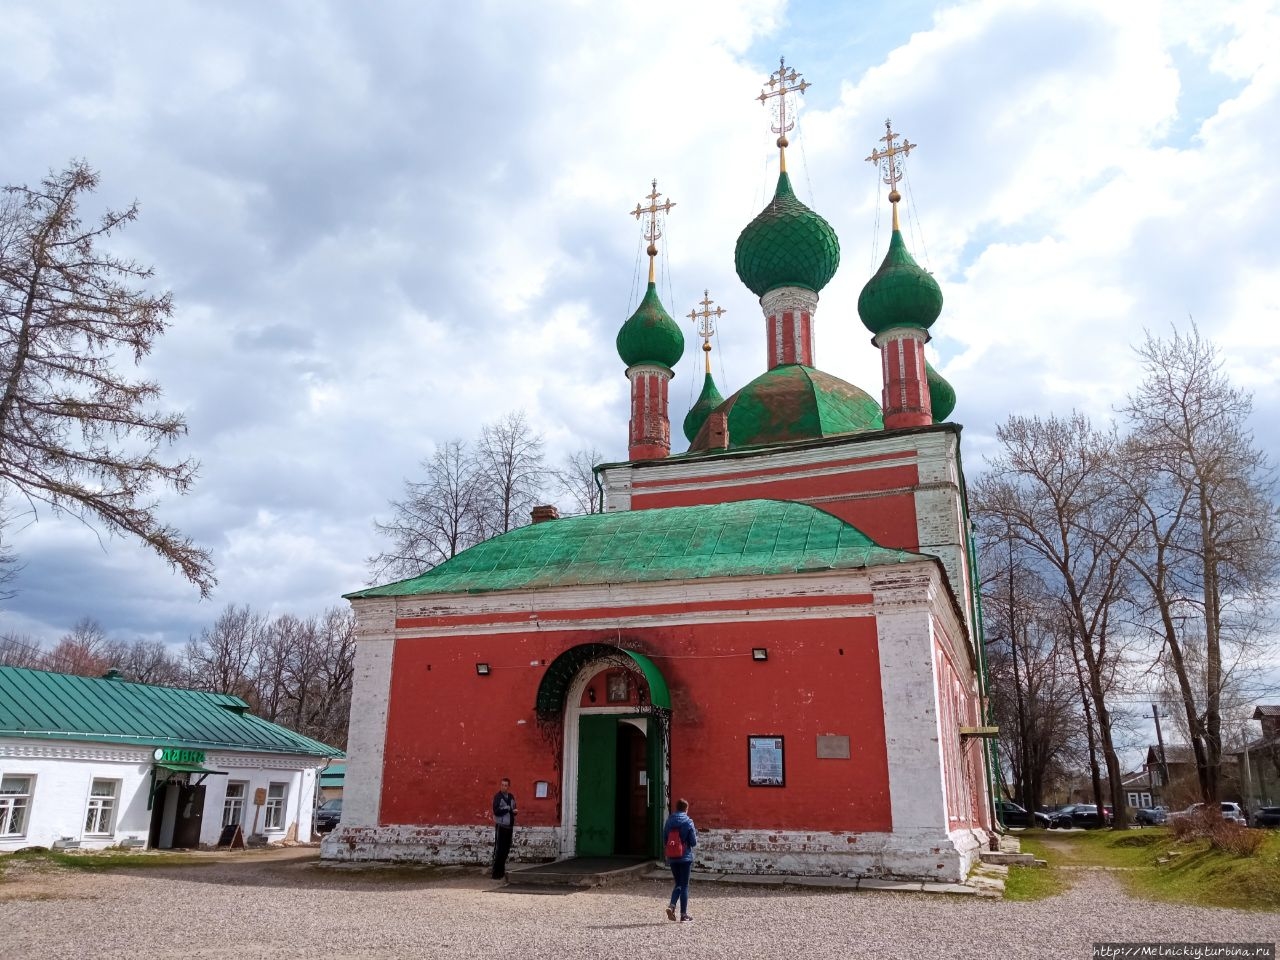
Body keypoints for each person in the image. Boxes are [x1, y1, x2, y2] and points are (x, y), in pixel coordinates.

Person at [663, 798, 697, 922]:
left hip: (672, 857)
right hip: (685, 857)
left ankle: (672, 906)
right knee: (684, 886)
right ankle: (683, 914)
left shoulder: (669, 821)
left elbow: (665, 838)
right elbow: (693, 842)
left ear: (677, 808)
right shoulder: (688, 821)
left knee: (678, 883)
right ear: (686, 809)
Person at [491, 777, 517, 879]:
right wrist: (507, 808)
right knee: (499, 850)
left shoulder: (511, 796)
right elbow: (496, 811)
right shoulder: (498, 797)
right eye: (502, 785)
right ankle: (495, 873)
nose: (504, 787)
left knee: (506, 849)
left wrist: (514, 811)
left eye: (506, 785)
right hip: (501, 826)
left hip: (509, 827)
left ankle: (501, 871)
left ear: (508, 786)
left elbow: (514, 807)